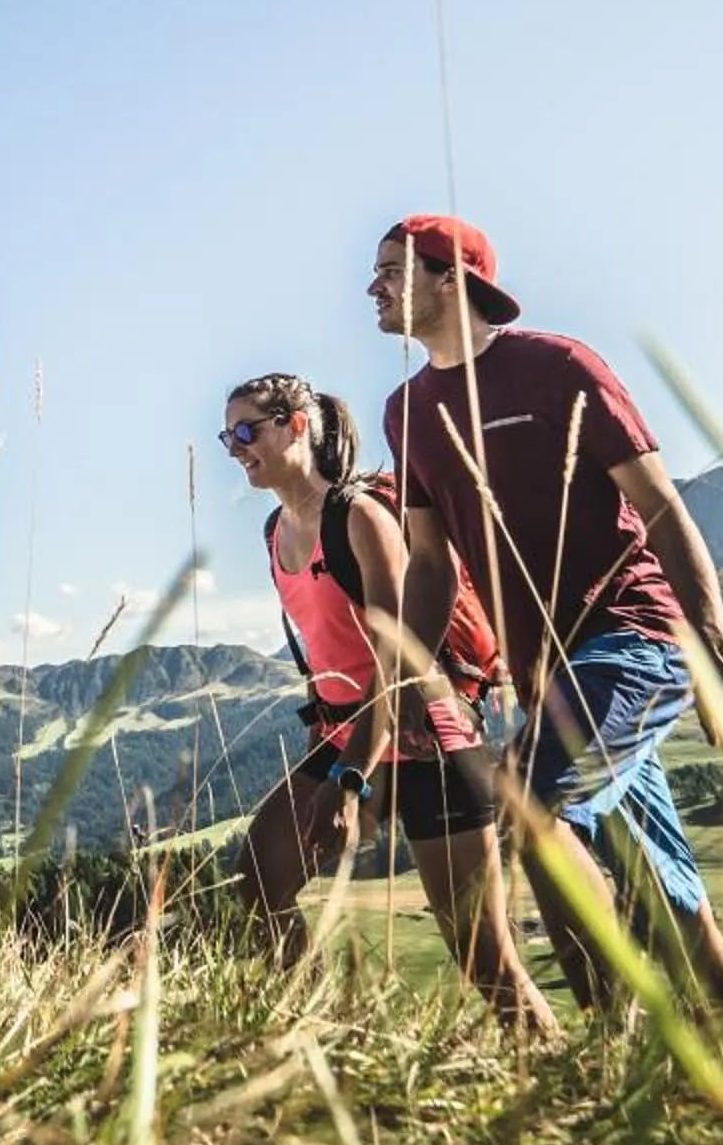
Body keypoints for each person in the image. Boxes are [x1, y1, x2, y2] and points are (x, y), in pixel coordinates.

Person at [369, 214, 723, 1077]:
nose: (371, 290)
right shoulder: (405, 410)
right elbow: (428, 561)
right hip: (547, 676)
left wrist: (721, 654)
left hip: (633, 637)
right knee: (676, 898)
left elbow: (664, 510)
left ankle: (611, 1057)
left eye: (389, 272)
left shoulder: (558, 368)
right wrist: (409, 680)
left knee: (529, 802)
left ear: (451, 278)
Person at [221, 371, 557, 1036]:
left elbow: (398, 660)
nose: (234, 448)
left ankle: (561, 1075)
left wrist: (350, 780)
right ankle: (320, 1040)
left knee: (483, 958)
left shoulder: (362, 517)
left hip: (426, 741)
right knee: (259, 884)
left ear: (295, 426)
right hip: (348, 740)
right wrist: (343, 761)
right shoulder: (273, 531)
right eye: (226, 435)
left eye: (245, 431)